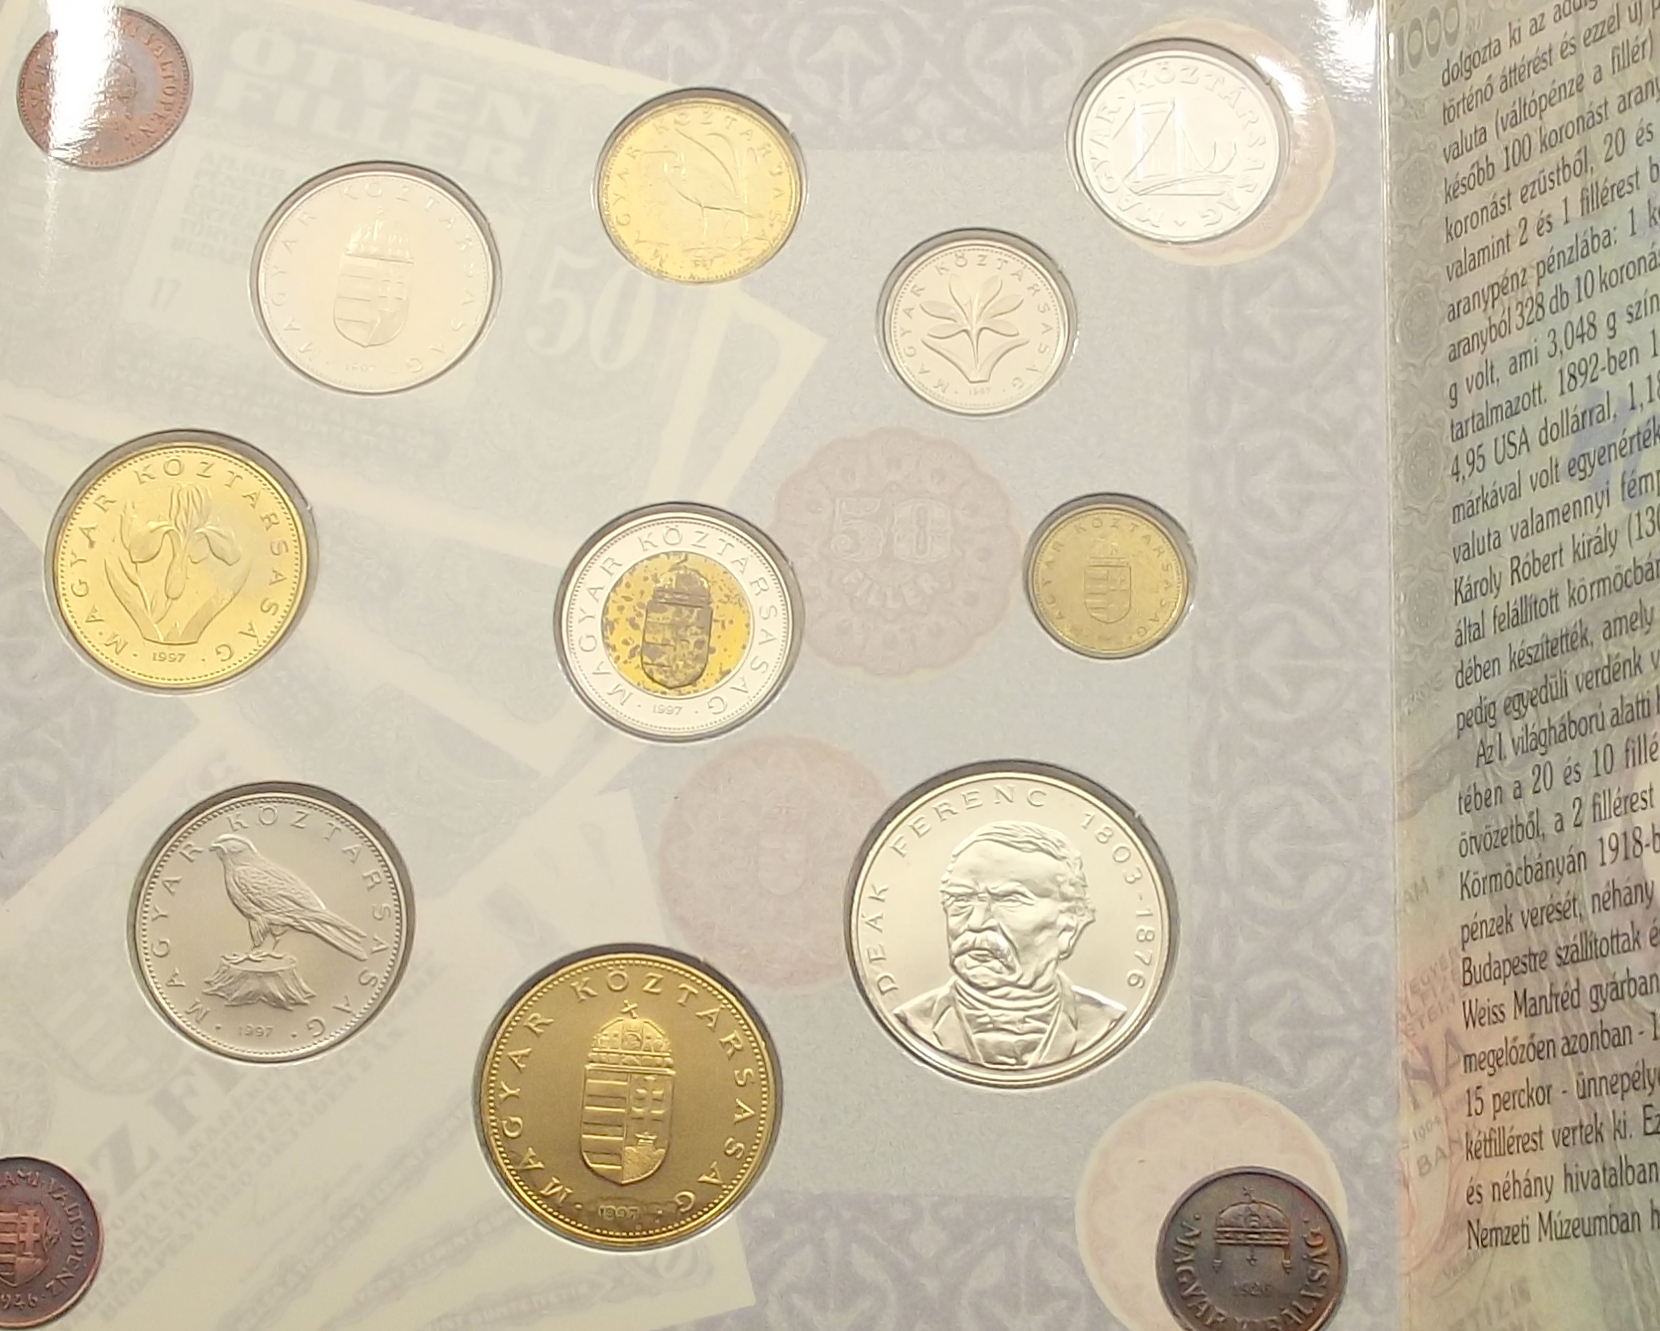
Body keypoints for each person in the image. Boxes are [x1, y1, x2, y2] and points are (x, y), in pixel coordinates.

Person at [894, 821, 1124, 1068]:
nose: (976, 922)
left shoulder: (1105, 1021)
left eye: (1010, 899)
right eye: (961, 899)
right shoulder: (912, 1020)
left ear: (1069, 925)